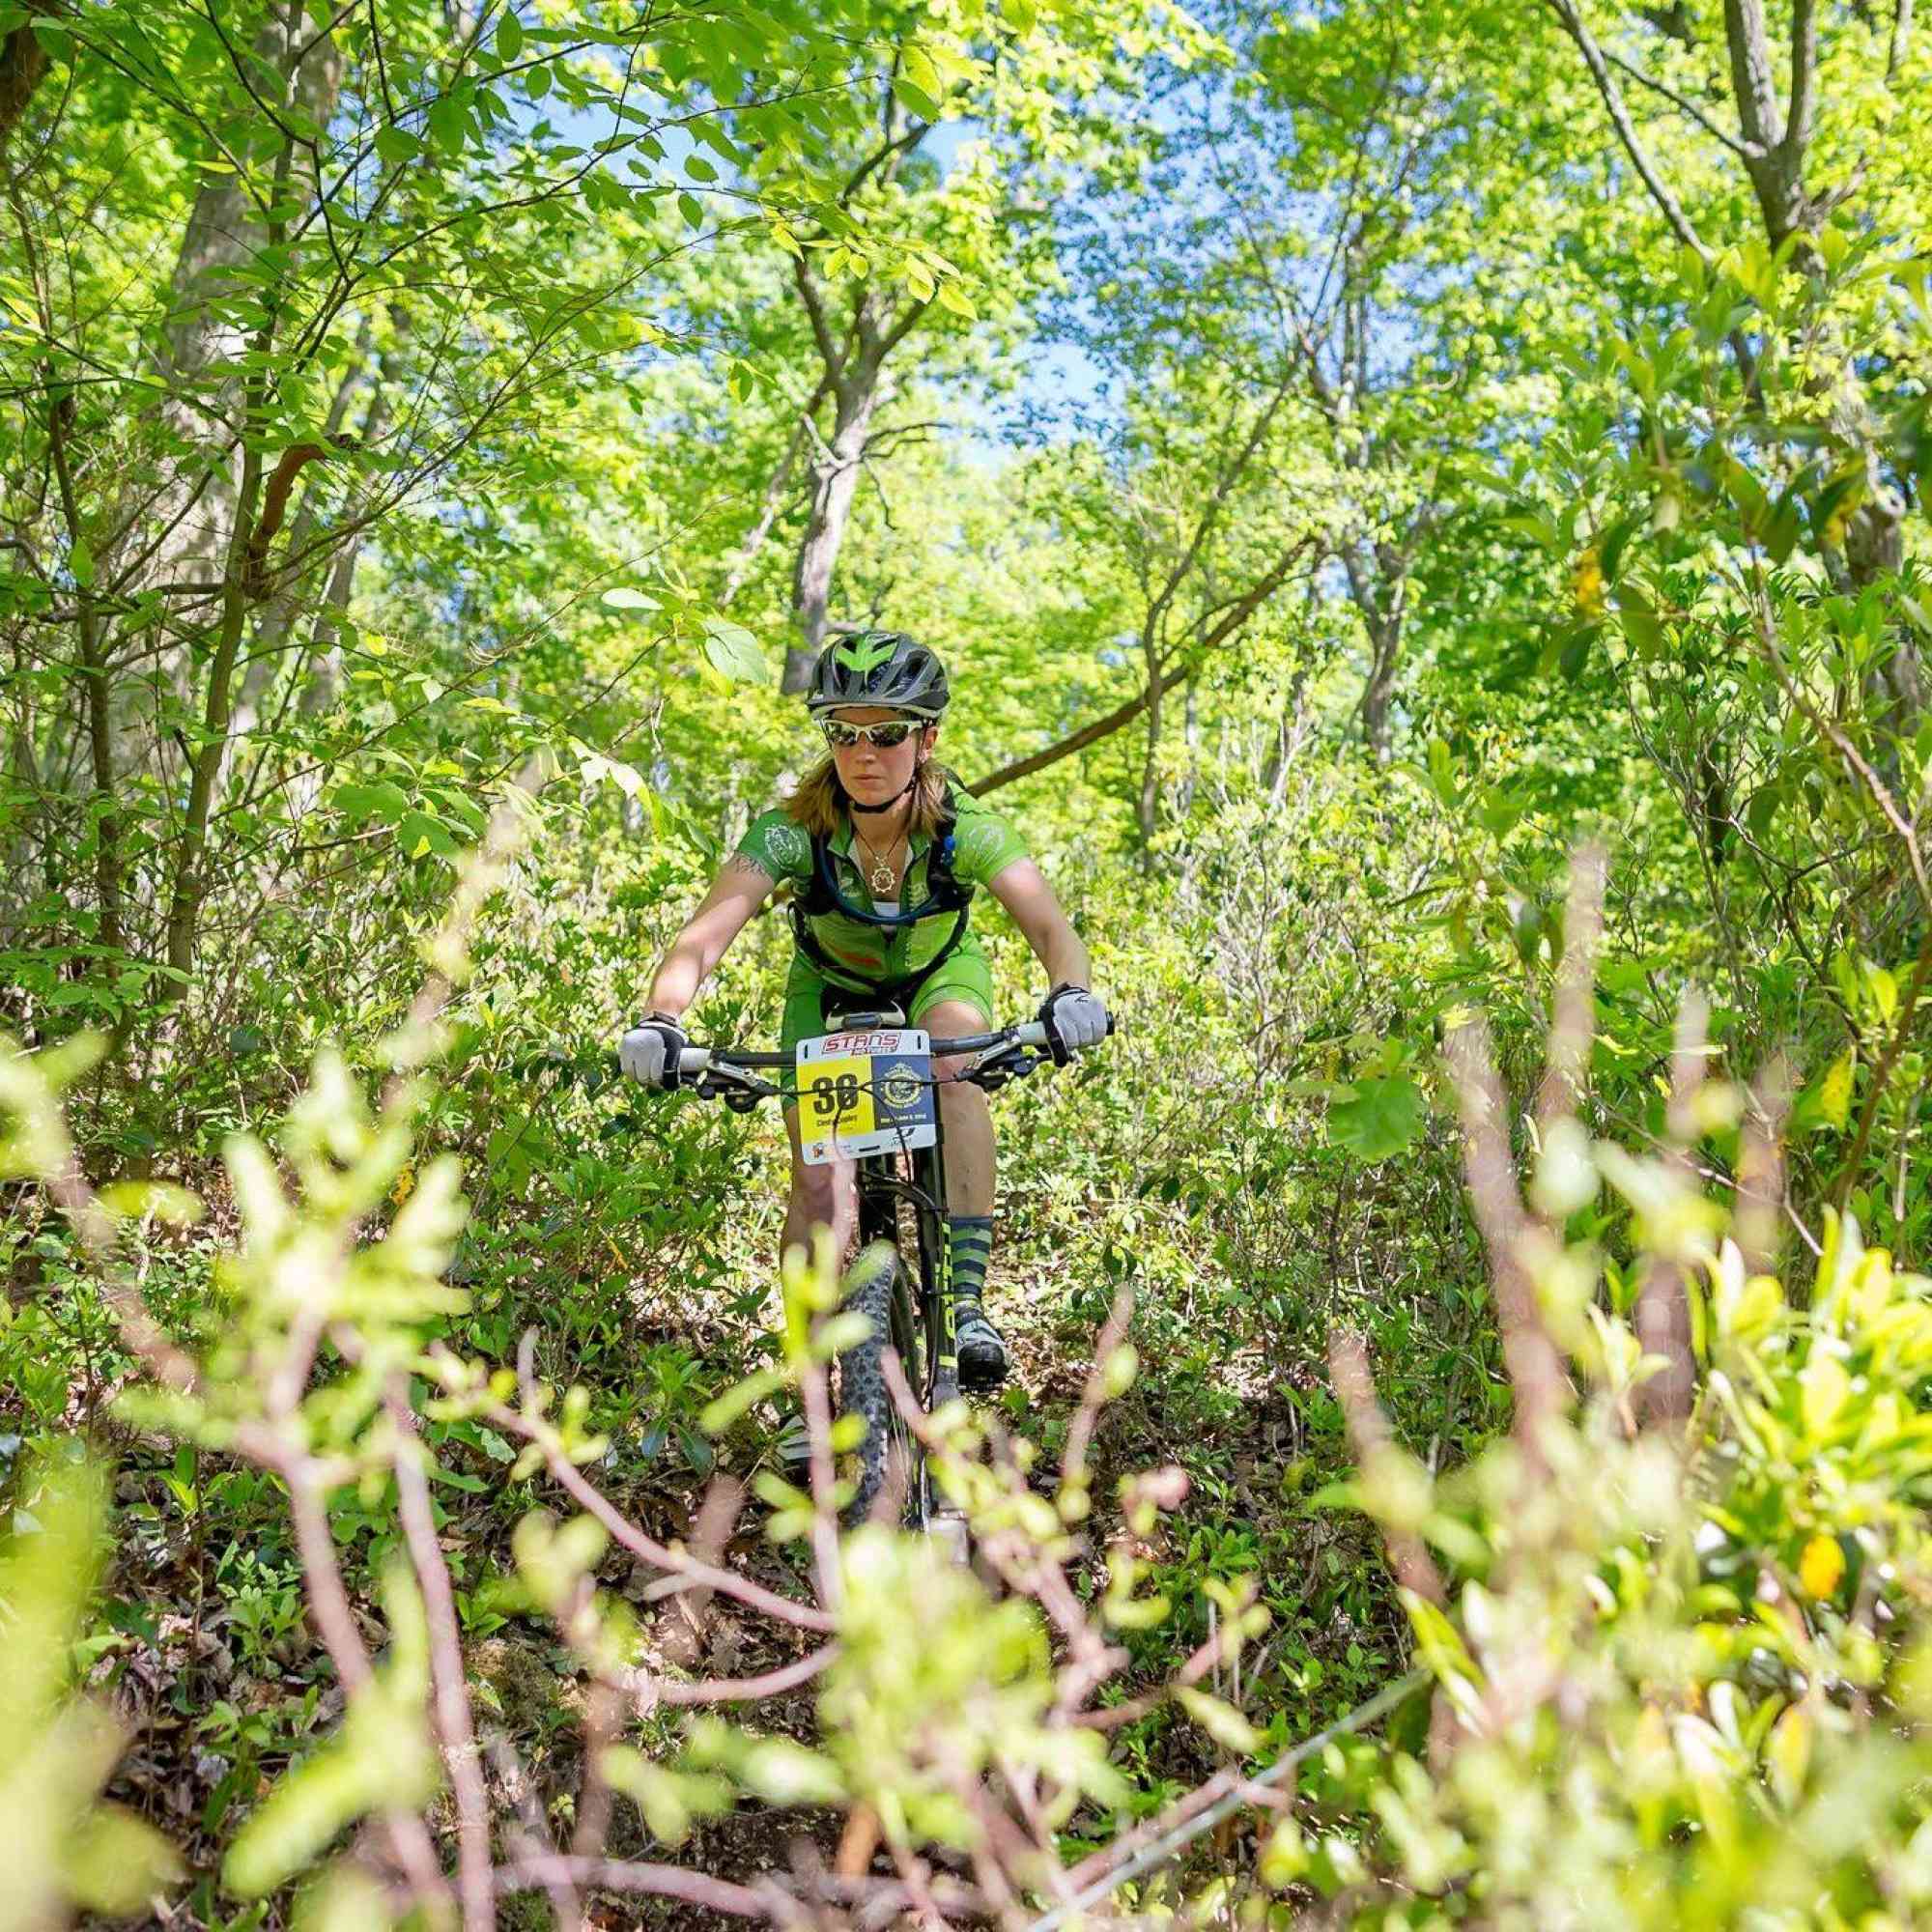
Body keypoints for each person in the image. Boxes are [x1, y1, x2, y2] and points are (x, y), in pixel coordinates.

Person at [617, 630, 1109, 1388]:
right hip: (829, 989)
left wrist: (1071, 995)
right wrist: (662, 1019)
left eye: (887, 733)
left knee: (956, 1065)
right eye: (843, 732)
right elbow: (704, 936)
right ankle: (810, 1387)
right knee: (818, 1181)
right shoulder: (791, 831)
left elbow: (1049, 927)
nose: (864, 752)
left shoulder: (965, 829)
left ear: (928, 738)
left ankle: (967, 1302)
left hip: (937, 979)